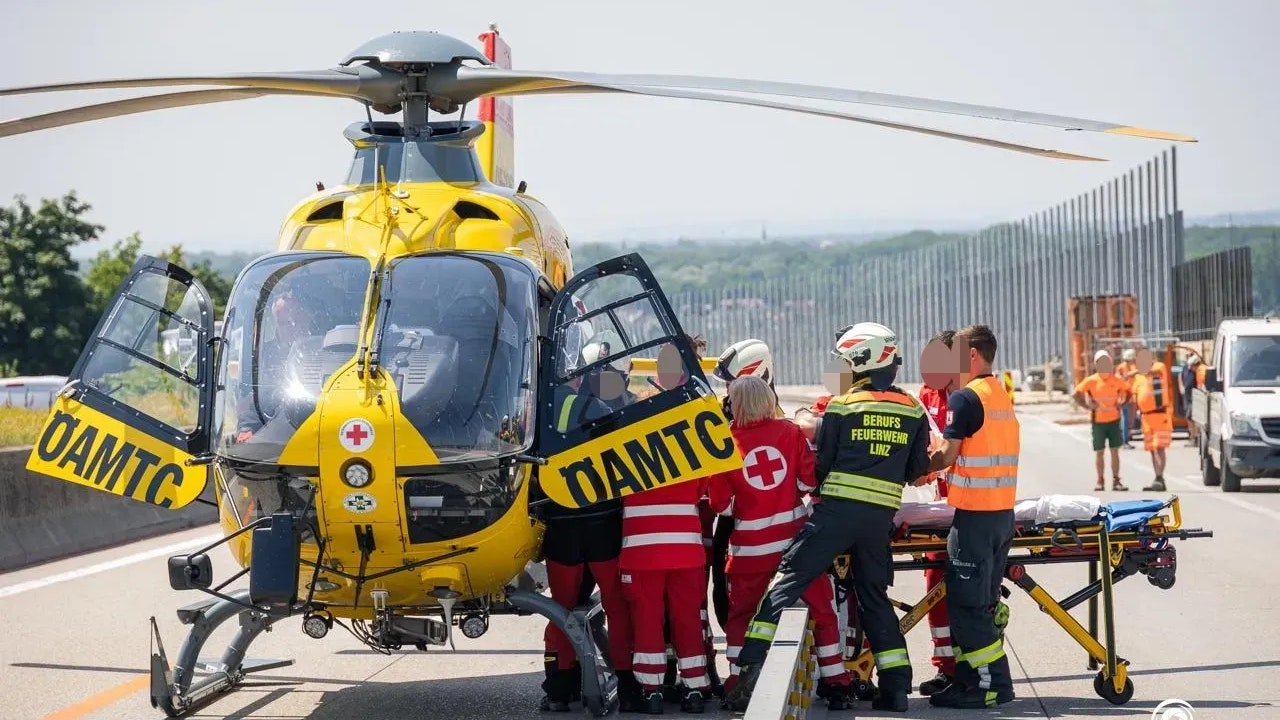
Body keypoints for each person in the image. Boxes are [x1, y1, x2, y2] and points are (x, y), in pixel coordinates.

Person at [726, 322, 931, 714]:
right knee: (874, 598)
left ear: (859, 361)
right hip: (878, 521)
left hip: (835, 515)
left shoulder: (843, 405)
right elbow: (916, 470)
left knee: (790, 578)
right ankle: (896, 689)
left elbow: (821, 467)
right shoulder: (913, 408)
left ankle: (750, 662)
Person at [706, 376, 854, 710]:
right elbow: (807, 481)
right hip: (796, 546)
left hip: (750, 552)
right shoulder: (789, 432)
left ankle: (737, 682)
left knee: (741, 618)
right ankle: (837, 683)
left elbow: (720, 505)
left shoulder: (725, 442)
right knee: (823, 612)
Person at [536, 327, 639, 712]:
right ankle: (629, 685)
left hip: (562, 525)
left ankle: (559, 690)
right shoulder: (611, 409)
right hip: (603, 525)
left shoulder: (543, 407)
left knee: (561, 609)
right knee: (616, 604)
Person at [924, 324, 1018, 709]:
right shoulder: (999, 394)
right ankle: (967, 680)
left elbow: (946, 455)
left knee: (966, 605)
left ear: (973, 356)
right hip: (1000, 515)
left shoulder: (965, 398)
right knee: (979, 603)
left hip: (975, 517)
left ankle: (993, 684)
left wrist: (913, 468)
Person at [619, 469, 713, 714]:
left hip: (642, 550)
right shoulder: (689, 445)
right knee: (688, 618)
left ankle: (651, 691)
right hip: (686, 548)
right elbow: (702, 488)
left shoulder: (623, 446)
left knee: (647, 620)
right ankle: (694, 688)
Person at [915, 329, 959, 695]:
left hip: (974, 505)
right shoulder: (925, 396)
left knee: (971, 592)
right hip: (940, 505)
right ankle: (946, 666)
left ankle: (971, 668)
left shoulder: (967, 396)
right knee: (935, 583)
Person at [1072, 350, 1130, 491]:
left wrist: (1122, 404)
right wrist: (1087, 406)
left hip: (1114, 420)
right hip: (1098, 421)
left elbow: (1129, 392)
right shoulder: (1091, 380)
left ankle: (1116, 480)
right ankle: (1100, 480)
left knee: (1115, 451)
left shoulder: (1117, 380)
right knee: (1100, 452)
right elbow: (1076, 394)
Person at [1131, 348, 1173, 492]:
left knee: (1159, 447)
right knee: (1151, 449)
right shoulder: (1138, 378)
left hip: (1160, 415)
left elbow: (1152, 373)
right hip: (1146, 418)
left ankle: (1160, 477)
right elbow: (1135, 395)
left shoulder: (1158, 367)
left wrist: (1134, 372)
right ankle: (1157, 477)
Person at [1116, 348, 1138, 449]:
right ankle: (1124, 441)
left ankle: (1126, 438)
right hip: (1124, 396)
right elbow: (1125, 376)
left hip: (1129, 396)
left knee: (1128, 419)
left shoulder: (1130, 366)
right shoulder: (1122, 367)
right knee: (1124, 419)